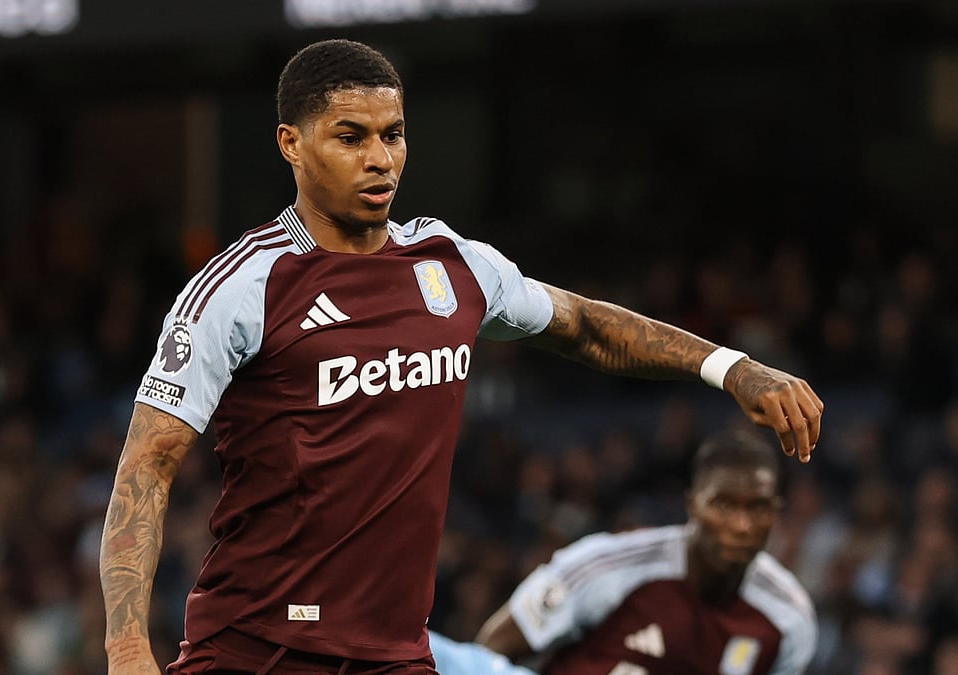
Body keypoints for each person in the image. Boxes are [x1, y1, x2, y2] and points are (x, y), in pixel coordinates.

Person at [99, 38, 825, 675]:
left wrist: (731, 366)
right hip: (258, 646)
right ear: (291, 143)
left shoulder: (454, 266)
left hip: (398, 652)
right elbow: (147, 464)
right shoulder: (242, 284)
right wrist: (128, 646)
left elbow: (583, 325)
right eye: (350, 137)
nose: (380, 159)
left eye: (393, 134)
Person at [429, 430, 817, 675]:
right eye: (724, 505)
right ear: (692, 505)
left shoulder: (789, 620)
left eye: (757, 508)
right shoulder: (606, 565)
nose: (740, 525)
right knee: (436, 656)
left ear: (777, 515)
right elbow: (490, 652)